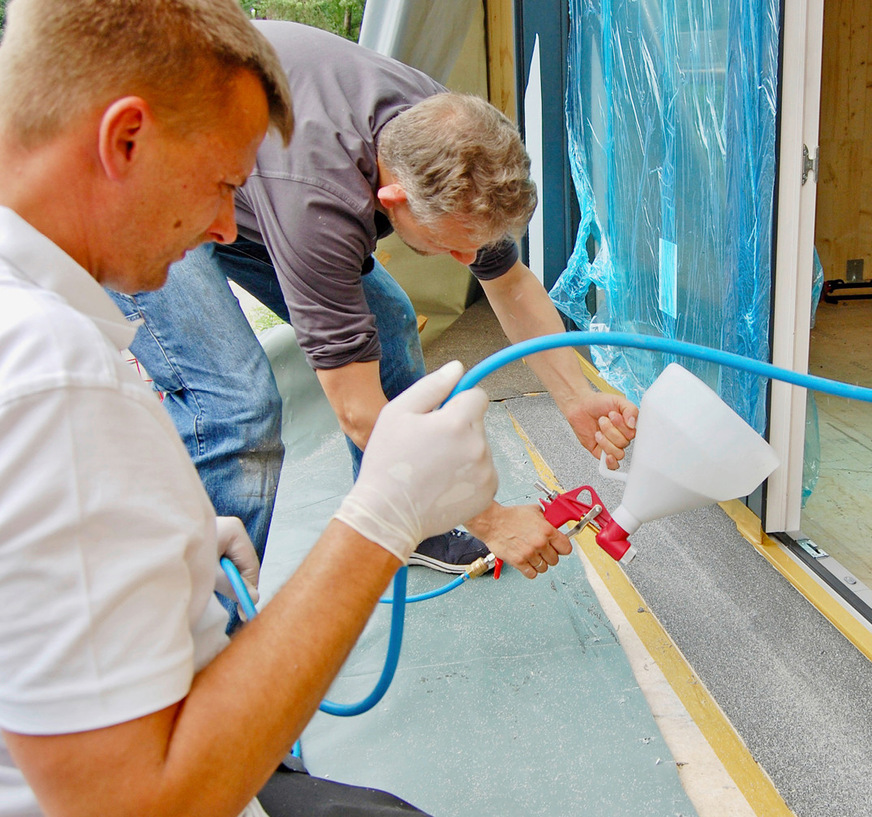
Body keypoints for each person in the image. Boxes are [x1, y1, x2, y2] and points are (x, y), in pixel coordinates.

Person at [0, 2, 498, 816]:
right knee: (235, 405)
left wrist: (181, 546)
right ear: (126, 139)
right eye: (226, 182)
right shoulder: (57, 382)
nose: (228, 226)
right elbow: (139, 804)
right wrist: (384, 514)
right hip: (192, 780)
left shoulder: (48, 333)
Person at [108, 20, 639, 584]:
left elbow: (508, 282)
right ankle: (210, 625)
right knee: (235, 408)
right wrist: (487, 518)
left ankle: (408, 523)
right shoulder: (323, 206)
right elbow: (359, 409)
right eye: (448, 245)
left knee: (386, 325)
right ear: (391, 198)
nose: (465, 260)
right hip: (136, 182)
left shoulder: (448, 137)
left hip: (249, 168)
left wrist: (575, 396)